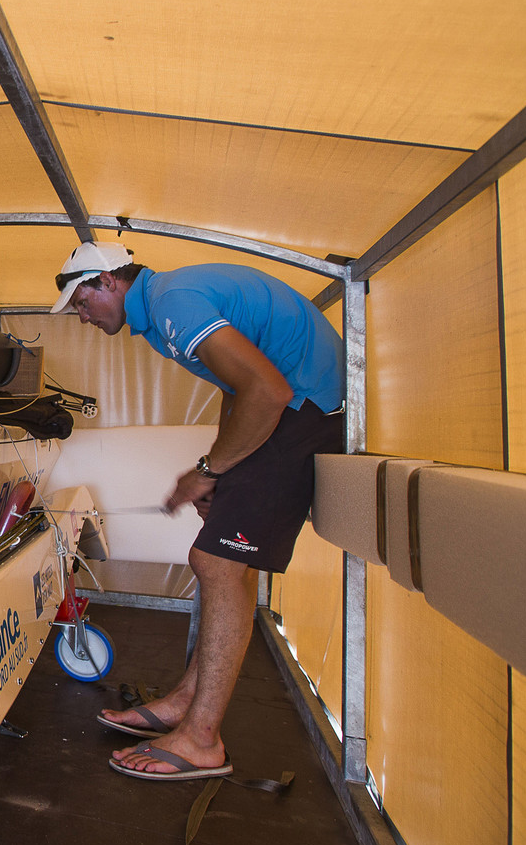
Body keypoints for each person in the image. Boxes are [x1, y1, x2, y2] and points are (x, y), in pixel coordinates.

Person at [50, 242, 344, 780]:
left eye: (81, 300)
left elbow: (268, 390)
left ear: (110, 281)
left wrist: (209, 470)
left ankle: (202, 739)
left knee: (217, 563)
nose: (81, 315)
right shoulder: (166, 308)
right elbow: (239, 386)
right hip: (298, 407)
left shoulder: (172, 302)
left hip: (306, 409)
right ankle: (187, 702)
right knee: (222, 564)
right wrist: (221, 467)